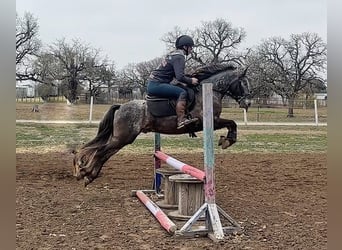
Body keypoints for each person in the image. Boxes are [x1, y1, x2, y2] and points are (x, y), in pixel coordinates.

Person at [147, 35, 199, 129]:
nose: (191, 49)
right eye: (191, 47)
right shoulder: (179, 57)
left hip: (155, 83)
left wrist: (187, 77)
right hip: (157, 85)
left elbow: (176, 74)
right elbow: (179, 76)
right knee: (182, 92)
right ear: (185, 47)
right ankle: (181, 120)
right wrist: (191, 80)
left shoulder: (173, 55)